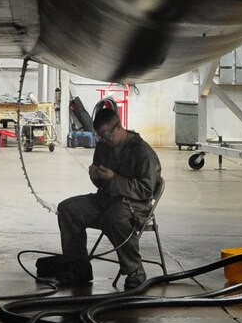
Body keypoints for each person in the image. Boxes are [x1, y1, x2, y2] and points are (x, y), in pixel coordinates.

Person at [55, 106, 162, 289]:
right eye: (100, 136)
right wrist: (96, 176)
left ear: (118, 127)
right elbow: (102, 185)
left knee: (115, 217)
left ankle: (135, 270)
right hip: (107, 199)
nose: (103, 140)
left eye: (106, 135)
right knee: (68, 209)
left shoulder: (142, 152)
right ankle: (79, 268)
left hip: (135, 205)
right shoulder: (104, 147)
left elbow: (146, 190)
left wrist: (114, 178)